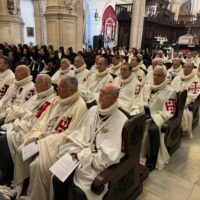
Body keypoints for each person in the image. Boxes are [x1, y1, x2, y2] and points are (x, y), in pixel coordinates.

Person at [14, 76, 87, 199]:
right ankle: (23, 187)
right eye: (58, 85)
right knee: (21, 151)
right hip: (42, 138)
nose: (57, 88)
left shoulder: (80, 106)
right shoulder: (56, 100)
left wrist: (45, 142)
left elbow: (70, 135)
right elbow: (43, 120)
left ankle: (37, 196)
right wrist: (38, 135)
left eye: (61, 87)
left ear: (71, 90)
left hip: (55, 146)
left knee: (37, 165)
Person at [52, 83, 128, 200]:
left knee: (80, 193)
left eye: (105, 93)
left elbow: (108, 158)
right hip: (78, 156)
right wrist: (75, 151)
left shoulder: (121, 121)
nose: (100, 95)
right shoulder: (93, 110)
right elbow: (78, 134)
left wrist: (82, 156)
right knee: (57, 178)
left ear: (114, 98)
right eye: (100, 91)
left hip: (94, 168)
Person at [0, 74, 55, 185]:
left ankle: (7, 174)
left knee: (3, 140)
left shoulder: (50, 101)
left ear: (45, 85)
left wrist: (19, 121)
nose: (35, 85)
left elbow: (36, 122)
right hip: (19, 123)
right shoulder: (36, 96)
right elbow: (23, 109)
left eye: (37, 82)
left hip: (28, 131)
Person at [141, 65, 177, 170]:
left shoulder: (170, 92)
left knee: (153, 130)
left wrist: (154, 116)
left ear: (165, 76)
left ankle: (153, 157)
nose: (156, 77)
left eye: (159, 75)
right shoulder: (147, 86)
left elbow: (169, 111)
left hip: (158, 116)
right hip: (143, 113)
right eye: (154, 74)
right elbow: (140, 100)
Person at [171, 61, 200, 138]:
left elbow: (193, 94)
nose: (186, 69)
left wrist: (182, 100)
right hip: (174, 97)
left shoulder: (195, 80)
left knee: (182, 109)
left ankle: (181, 128)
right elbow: (171, 88)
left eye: (188, 67)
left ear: (192, 68)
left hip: (187, 99)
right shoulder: (178, 77)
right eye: (185, 67)